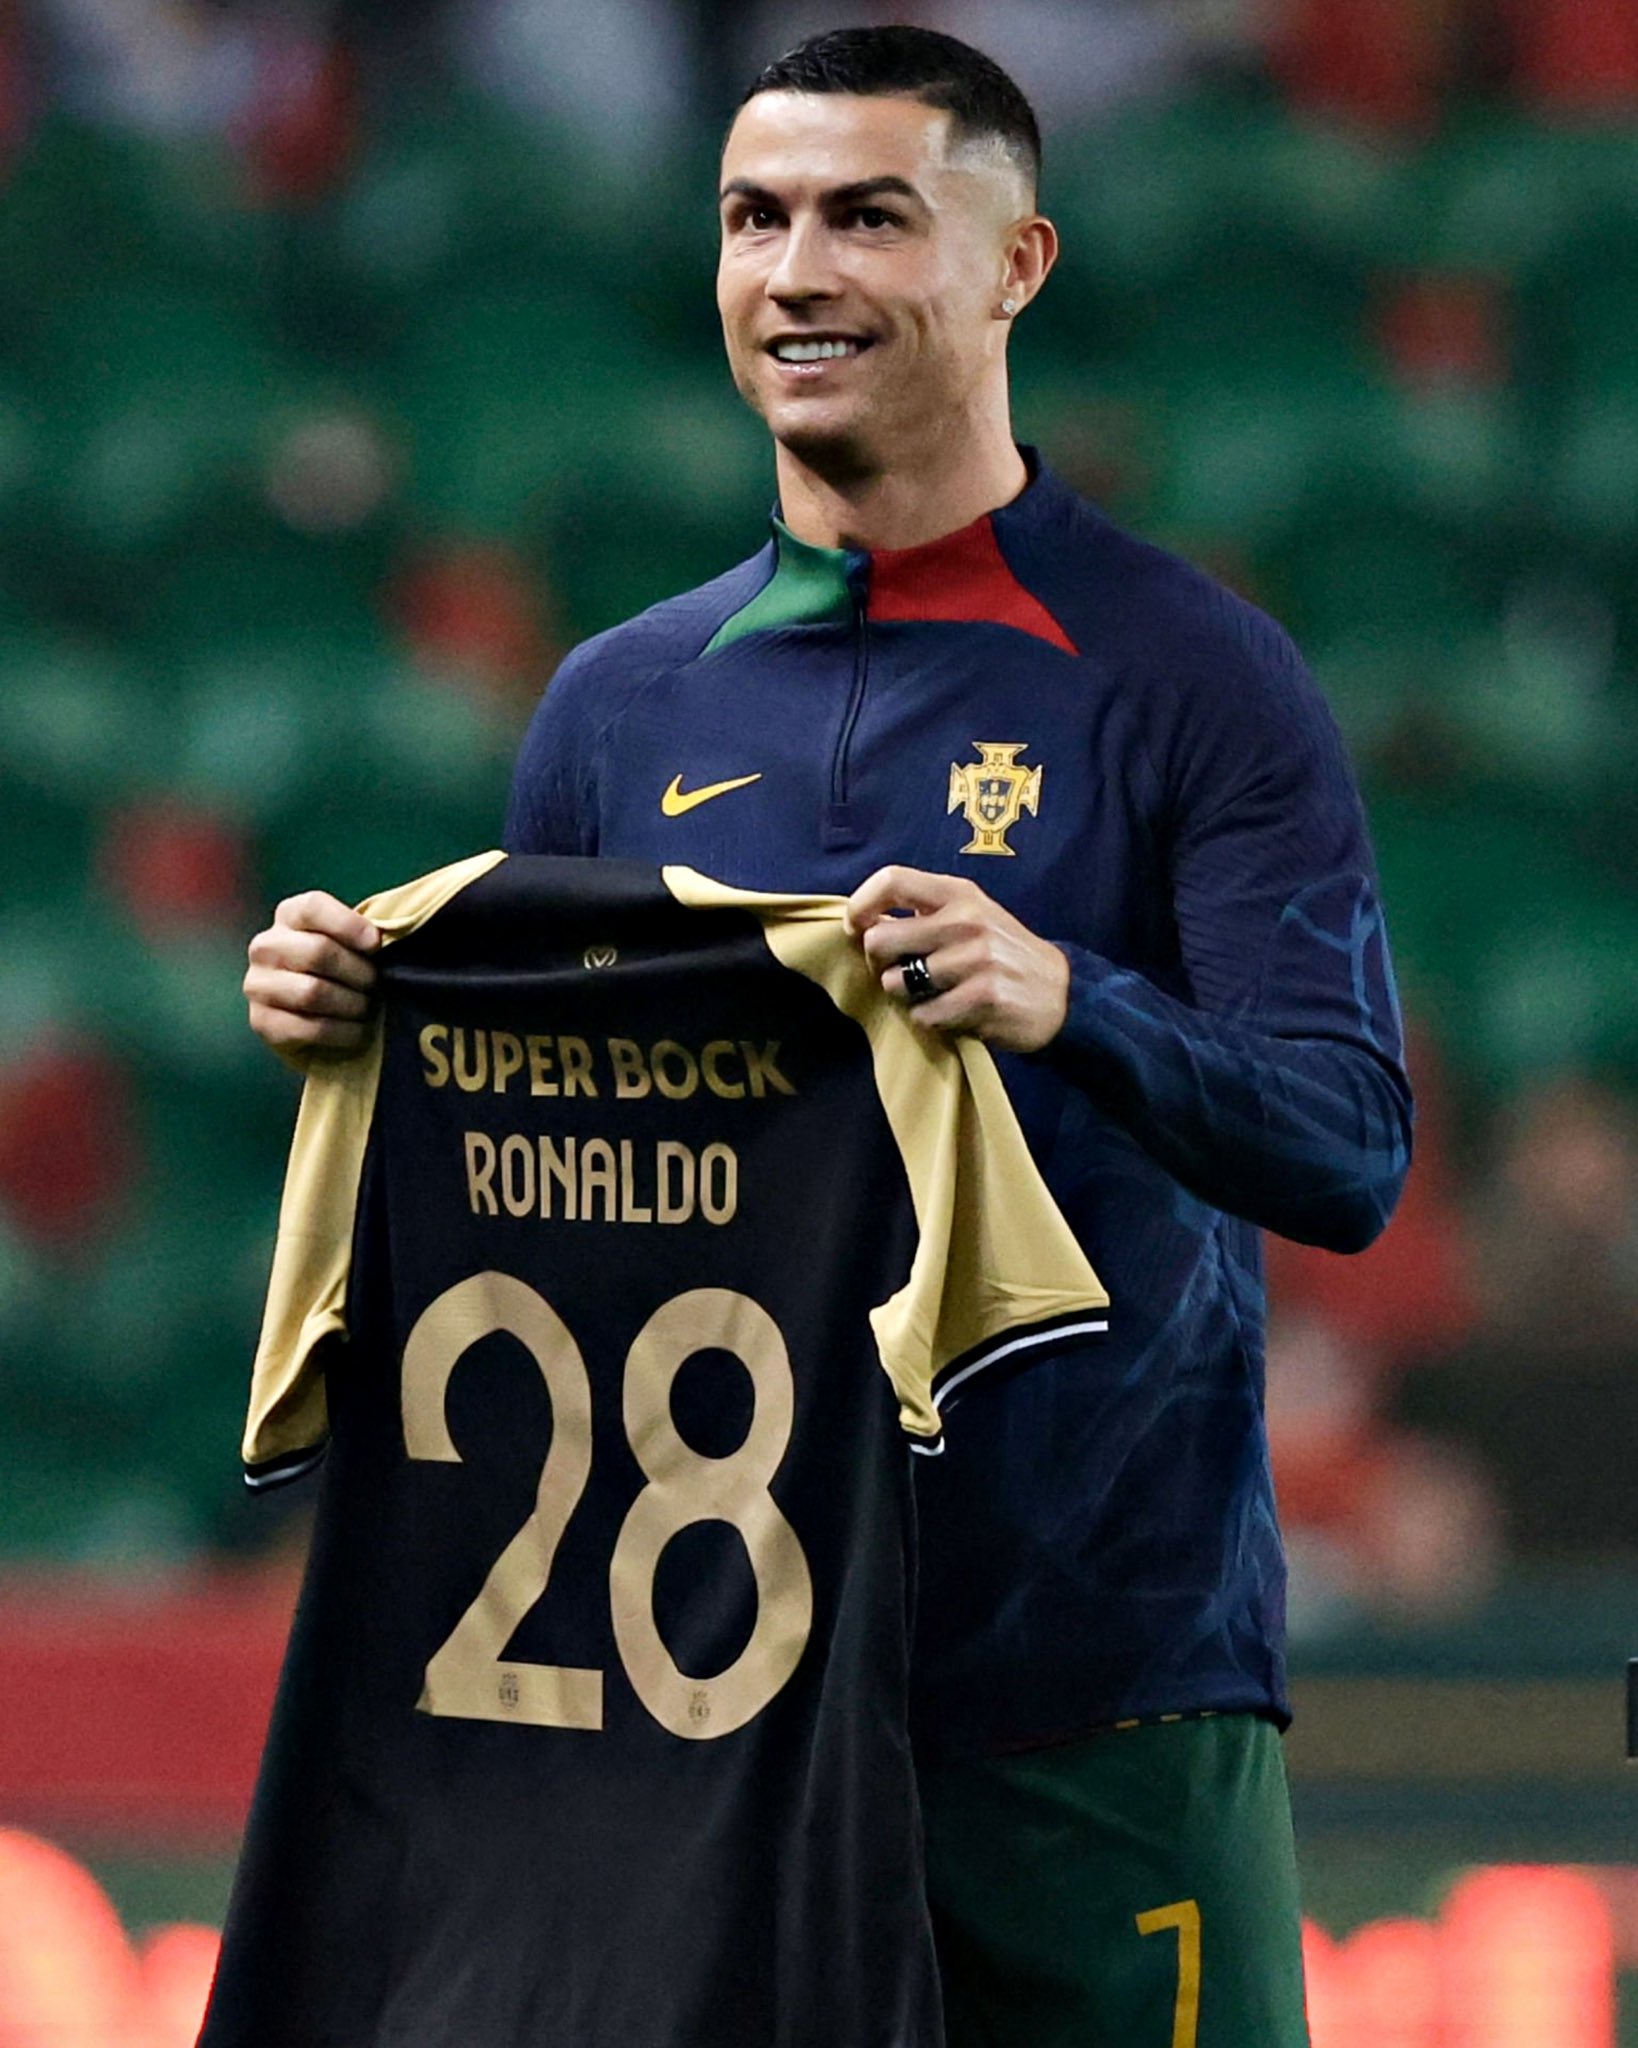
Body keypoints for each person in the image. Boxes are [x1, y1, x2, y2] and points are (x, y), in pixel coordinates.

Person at [244, 25, 1412, 2047]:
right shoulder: (619, 707)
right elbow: (582, 1201)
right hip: (710, 1724)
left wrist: (1073, 997)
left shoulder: (1194, 678)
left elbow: (1345, 1144)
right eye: (754, 219)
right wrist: (371, 1030)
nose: (799, 274)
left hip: (1093, 1694)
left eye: (870, 216)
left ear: (1016, 263)